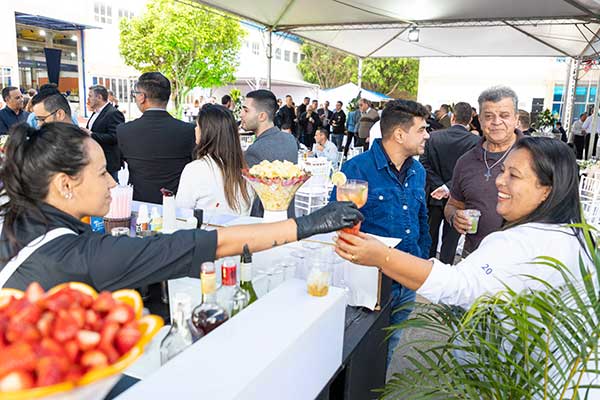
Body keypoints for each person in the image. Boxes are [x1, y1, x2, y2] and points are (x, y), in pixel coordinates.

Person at [0, 122, 362, 291]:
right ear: (65, 185)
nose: (112, 182)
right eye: (101, 173)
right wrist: (308, 224)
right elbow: (210, 244)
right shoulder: (76, 256)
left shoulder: (20, 221)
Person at [335, 137, 589, 312]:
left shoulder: (519, 243)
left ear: (547, 190)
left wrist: (382, 256)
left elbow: (457, 285)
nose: (499, 181)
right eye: (502, 171)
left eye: (514, 175)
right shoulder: (577, 236)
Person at [330, 99, 431, 366]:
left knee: (389, 347)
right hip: (368, 284)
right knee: (358, 354)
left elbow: (421, 220)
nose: (427, 135)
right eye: (421, 129)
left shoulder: (418, 170)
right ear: (399, 134)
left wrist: (421, 261)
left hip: (406, 279)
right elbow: (335, 221)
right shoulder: (356, 169)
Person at [444, 86, 524, 257]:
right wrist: (454, 217)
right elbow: (452, 204)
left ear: (516, 119)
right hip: (475, 257)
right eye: (488, 116)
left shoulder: (536, 156)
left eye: (504, 115)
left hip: (521, 261)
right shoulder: (465, 161)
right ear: (479, 120)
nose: (496, 122)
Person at [117, 72, 195, 204]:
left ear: (142, 97)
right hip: (176, 204)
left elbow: (118, 163)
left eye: (135, 94)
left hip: (139, 204)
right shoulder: (188, 130)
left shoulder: (124, 130)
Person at [420, 102, 480, 264]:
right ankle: (445, 267)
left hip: (434, 194)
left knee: (430, 235)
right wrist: (447, 186)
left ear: (453, 117)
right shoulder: (475, 142)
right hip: (458, 197)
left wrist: (441, 186)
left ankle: (427, 268)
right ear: (470, 119)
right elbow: (471, 171)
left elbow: (424, 163)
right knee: (451, 240)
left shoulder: (433, 137)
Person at [176, 104, 253, 215]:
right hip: (241, 226)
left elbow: (181, 213)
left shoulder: (194, 170)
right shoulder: (246, 170)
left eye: (197, 126)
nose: (195, 129)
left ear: (206, 132)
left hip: (205, 226)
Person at [242, 89, 298, 218]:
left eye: (246, 110)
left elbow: (251, 197)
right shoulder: (290, 140)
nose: (241, 114)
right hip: (288, 219)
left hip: (264, 222)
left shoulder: (255, 151)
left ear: (262, 116)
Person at [85, 85, 125, 181]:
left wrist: (91, 134)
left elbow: (115, 137)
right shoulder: (96, 112)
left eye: (90, 96)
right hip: (95, 160)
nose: (88, 99)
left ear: (99, 97)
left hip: (108, 162)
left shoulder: (113, 113)